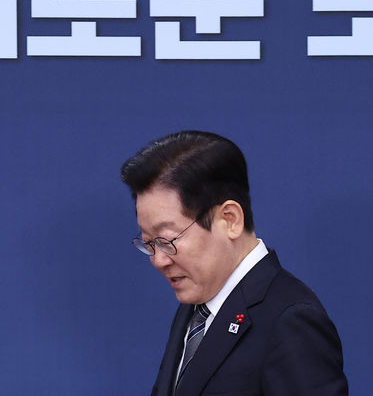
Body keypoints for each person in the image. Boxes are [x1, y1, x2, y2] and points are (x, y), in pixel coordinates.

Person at [121, 130, 348, 396]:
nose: (159, 260)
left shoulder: (291, 321)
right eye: (149, 243)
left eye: (168, 240)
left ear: (230, 220)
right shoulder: (196, 308)